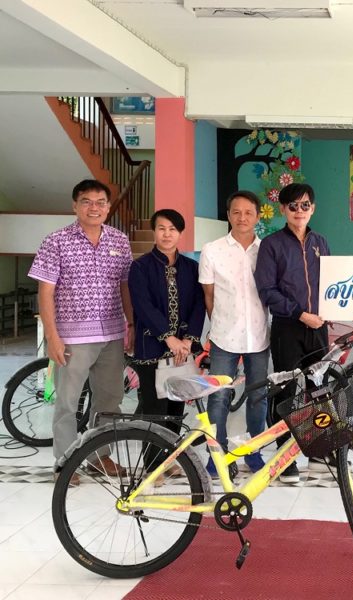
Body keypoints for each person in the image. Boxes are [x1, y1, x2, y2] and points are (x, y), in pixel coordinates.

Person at [28, 179, 133, 485]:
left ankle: (100, 456)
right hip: (72, 337)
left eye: (100, 202)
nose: (93, 208)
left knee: (109, 401)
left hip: (112, 333)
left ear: (108, 207)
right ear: (75, 206)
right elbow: (45, 292)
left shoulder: (119, 241)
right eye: (86, 201)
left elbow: (125, 287)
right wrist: (52, 337)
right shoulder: (56, 241)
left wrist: (131, 324)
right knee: (67, 402)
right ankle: (65, 461)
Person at [255, 182, 331, 483]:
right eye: (293, 206)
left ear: (313, 208)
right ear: (283, 209)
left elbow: (333, 284)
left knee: (318, 389)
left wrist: (340, 310)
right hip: (288, 327)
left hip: (319, 328)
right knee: (285, 391)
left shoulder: (321, 242)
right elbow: (266, 290)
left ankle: (317, 449)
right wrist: (300, 313)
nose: (300, 211)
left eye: (305, 205)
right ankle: (285, 456)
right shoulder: (271, 245)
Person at [128, 209, 205, 477]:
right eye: (161, 228)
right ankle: (152, 468)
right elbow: (143, 306)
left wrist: (188, 339)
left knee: (175, 409)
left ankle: (169, 461)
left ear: (180, 233)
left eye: (172, 229)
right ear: (154, 231)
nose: (167, 234)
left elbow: (198, 305)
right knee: (154, 410)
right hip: (152, 348)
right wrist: (168, 337)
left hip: (183, 350)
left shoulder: (191, 268)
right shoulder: (140, 267)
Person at [199, 190, 270, 478]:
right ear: (228, 215)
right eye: (236, 212)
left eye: (249, 212)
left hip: (259, 336)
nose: (242, 218)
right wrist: (220, 323)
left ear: (257, 216)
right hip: (224, 337)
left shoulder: (267, 250)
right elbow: (209, 296)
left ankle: (253, 451)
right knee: (218, 397)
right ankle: (216, 455)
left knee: (258, 396)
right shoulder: (212, 250)